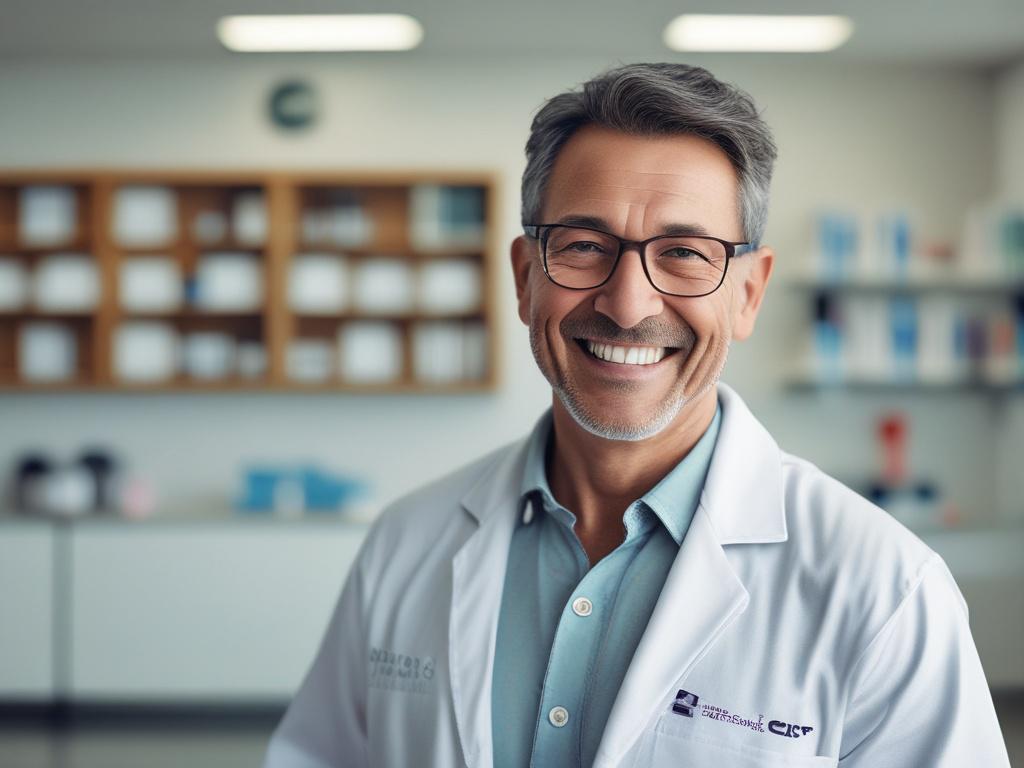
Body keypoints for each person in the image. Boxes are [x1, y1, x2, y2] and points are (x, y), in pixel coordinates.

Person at [263, 63, 1010, 768]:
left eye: (684, 252)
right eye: (585, 245)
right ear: (526, 279)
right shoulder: (407, 543)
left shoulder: (883, 588)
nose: (627, 303)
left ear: (748, 293)